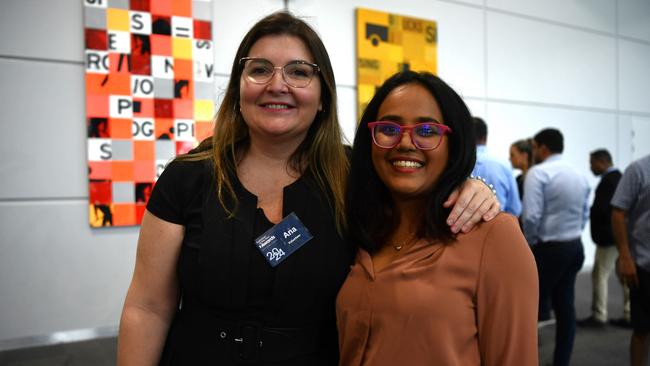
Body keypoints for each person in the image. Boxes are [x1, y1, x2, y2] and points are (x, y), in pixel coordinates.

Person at [117, 12, 500, 366]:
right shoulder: (189, 177)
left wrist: (472, 186)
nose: (277, 85)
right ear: (238, 88)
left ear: (322, 96)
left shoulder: (358, 175)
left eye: (299, 72)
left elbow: (420, 188)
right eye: (260, 70)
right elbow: (147, 307)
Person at [337, 71, 538, 366]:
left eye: (427, 131)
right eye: (389, 128)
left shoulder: (493, 237)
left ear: (453, 144)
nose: (405, 142)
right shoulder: (356, 226)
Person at [521, 128, 590, 366]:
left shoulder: (538, 173)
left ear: (542, 148)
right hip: (574, 246)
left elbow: (531, 216)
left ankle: (524, 359)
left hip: (547, 250)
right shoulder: (578, 174)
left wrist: (528, 245)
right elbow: (584, 214)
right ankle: (562, 361)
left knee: (528, 309)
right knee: (565, 307)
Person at [578, 149, 629, 328]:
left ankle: (600, 314)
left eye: (592, 163)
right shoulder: (620, 178)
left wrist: (592, 212)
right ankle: (629, 313)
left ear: (601, 162)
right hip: (617, 236)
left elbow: (602, 209)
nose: (591, 167)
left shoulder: (608, 181)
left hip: (608, 237)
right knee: (623, 277)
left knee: (600, 275)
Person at [611, 153, 650, 366]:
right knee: (642, 330)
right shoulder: (639, 169)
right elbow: (618, 213)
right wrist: (625, 257)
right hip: (644, 264)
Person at [471, 117, 521, 216]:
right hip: (499, 226)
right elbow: (515, 208)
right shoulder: (503, 163)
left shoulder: (456, 161)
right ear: (485, 137)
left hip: (462, 229)